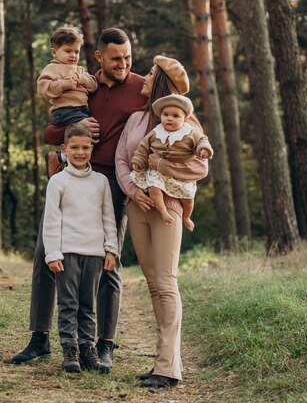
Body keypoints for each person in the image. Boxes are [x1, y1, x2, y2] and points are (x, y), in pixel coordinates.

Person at [12, 27, 147, 368]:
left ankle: (104, 345)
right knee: (47, 252)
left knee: (108, 259)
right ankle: (39, 339)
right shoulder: (82, 82)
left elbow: (175, 115)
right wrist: (82, 127)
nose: (124, 64)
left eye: (128, 57)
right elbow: (50, 132)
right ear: (99, 57)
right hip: (71, 178)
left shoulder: (140, 88)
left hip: (113, 182)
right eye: (116, 58)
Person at [115, 55, 209, 388]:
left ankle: (169, 367)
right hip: (138, 205)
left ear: (163, 81)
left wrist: (159, 165)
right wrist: (132, 190)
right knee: (153, 283)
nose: (145, 76)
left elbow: (199, 169)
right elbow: (123, 160)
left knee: (166, 282)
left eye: (152, 73)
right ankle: (160, 361)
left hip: (168, 206)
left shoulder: (186, 123)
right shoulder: (138, 120)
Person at [43, 123, 118, 374]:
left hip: (94, 254)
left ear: (91, 150)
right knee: (68, 303)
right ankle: (70, 350)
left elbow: (109, 217)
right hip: (67, 254)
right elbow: (52, 220)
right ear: (64, 149)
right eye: (74, 148)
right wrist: (53, 253)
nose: (80, 152)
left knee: (88, 304)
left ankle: (88, 349)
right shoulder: (58, 181)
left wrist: (111, 249)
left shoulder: (100, 182)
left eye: (85, 148)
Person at [130, 94, 213, 231]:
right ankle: (163, 211)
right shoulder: (155, 132)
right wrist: (138, 161)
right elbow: (143, 148)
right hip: (157, 172)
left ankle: (187, 217)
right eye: (165, 114)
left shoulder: (190, 132)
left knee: (188, 198)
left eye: (175, 116)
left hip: (179, 173)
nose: (169, 118)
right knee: (153, 187)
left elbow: (202, 140)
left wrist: (203, 149)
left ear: (185, 119)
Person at [37, 26, 98, 129]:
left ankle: (86, 144)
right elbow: (44, 88)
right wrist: (64, 84)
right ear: (54, 52)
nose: (73, 55)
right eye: (68, 51)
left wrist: (81, 79)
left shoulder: (79, 70)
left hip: (83, 109)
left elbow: (93, 85)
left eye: (76, 52)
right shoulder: (52, 68)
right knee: (89, 127)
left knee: (92, 129)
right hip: (64, 111)